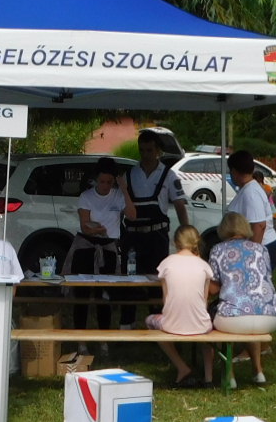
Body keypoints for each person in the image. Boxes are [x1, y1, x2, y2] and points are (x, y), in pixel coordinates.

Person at [119, 129, 189, 326]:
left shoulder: (169, 175)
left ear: (158, 150)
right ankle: (126, 326)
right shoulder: (130, 174)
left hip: (157, 237)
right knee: (129, 283)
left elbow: (180, 206)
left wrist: (186, 234)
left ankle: (158, 325)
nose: (146, 155)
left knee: (157, 283)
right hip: (132, 237)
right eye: (142, 150)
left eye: (149, 150)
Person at [209, 211, 276, 384]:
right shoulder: (261, 249)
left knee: (215, 315)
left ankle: (230, 375)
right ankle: (258, 371)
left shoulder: (218, 250)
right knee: (251, 318)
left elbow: (213, 289)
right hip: (269, 315)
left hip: (235, 317)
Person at [146, 225, 217, 387]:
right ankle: (209, 378)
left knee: (150, 321)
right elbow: (204, 300)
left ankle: (181, 366)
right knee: (208, 338)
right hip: (200, 324)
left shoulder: (166, 263)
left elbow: (166, 299)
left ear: (175, 242)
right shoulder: (204, 266)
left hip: (171, 324)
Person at [69, 158, 126, 336]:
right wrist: (98, 230)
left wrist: (124, 189)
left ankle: (104, 337)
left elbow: (132, 214)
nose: (105, 186)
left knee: (105, 295)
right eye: (102, 181)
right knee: (82, 295)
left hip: (109, 246)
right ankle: (80, 338)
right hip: (87, 246)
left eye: (109, 182)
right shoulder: (86, 196)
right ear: (96, 179)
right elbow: (85, 225)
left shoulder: (118, 195)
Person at [226, 149, 276, 273]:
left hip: (263, 246)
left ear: (234, 171)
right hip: (260, 246)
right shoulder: (248, 189)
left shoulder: (251, 193)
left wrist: (252, 255)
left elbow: (259, 225)